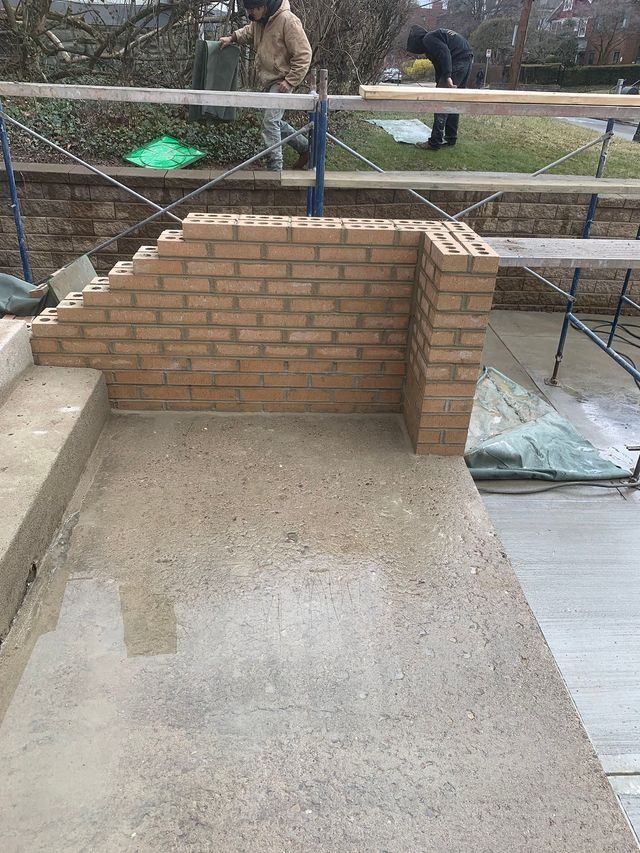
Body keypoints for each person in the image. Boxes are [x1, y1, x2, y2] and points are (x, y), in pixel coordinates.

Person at [220, 0, 312, 171]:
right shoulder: (260, 21)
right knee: (272, 121)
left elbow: (304, 55)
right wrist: (232, 38)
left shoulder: (288, 21)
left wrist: (290, 80)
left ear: (262, 7)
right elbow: (249, 32)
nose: (250, 15)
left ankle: (275, 168)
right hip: (269, 80)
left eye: (251, 11)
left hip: (282, 81)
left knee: (270, 122)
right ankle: (306, 149)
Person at [405, 26, 474, 150]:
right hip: (466, 58)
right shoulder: (435, 39)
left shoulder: (428, 38)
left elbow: (445, 53)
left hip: (457, 61)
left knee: (441, 102)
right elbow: (439, 65)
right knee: (454, 101)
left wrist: (447, 77)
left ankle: (434, 142)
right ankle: (451, 138)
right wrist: (439, 84)